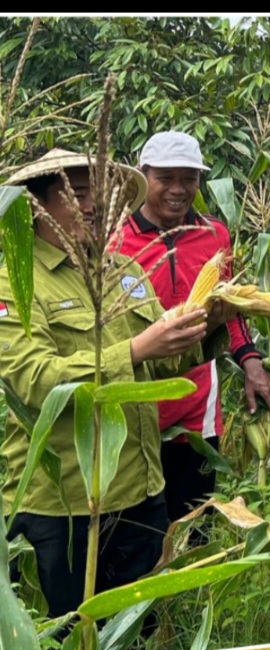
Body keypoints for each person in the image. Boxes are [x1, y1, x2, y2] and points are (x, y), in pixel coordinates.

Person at [0, 149, 215, 619]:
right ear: (36, 206)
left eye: (102, 194)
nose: (94, 205)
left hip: (141, 493)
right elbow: (34, 381)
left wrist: (208, 324)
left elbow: (160, 367)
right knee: (65, 649)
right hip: (64, 509)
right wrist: (136, 349)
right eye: (77, 194)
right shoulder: (13, 282)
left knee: (134, 643)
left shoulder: (127, 272)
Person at [114, 129, 270, 523]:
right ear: (143, 177)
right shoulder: (114, 242)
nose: (178, 189)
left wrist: (251, 362)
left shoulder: (214, 236)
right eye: (165, 178)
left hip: (196, 407)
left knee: (192, 524)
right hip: (134, 407)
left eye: (189, 179)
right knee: (137, 528)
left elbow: (231, 309)